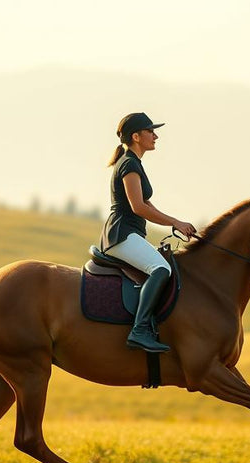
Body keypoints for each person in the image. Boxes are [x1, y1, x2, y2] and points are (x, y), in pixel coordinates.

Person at [101, 112, 197, 353]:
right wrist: (175, 221)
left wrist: (178, 223)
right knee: (161, 268)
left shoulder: (134, 162)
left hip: (128, 234)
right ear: (136, 136)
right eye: (150, 131)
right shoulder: (129, 164)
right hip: (121, 234)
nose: (156, 136)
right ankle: (140, 330)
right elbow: (138, 207)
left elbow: (147, 203)